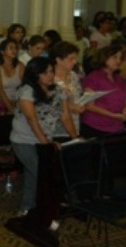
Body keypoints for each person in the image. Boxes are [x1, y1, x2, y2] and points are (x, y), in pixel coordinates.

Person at [10, 57, 78, 217]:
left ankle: (35, 206)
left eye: (51, 72)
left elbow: (66, 117)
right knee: (38, 171)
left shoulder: (58, 91)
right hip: (24, 140)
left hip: (45, 138)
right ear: (35, 74)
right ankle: (30, 209)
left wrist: (75, 138)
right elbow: (31, 119)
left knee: (39, 172)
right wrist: (47, 144)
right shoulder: (26, 90)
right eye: (45, 73)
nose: (49, 75)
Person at [80, 43, 126, 137]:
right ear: (104, 58)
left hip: (116, 126)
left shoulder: (119, 79)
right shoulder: (93, 77)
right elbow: (89, 105)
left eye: (120, 58)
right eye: (115, 57)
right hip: (96, 126)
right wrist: (114, 115)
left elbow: (125, 99)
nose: (118, 61)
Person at [50, 41, 86, 137]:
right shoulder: (49, 78)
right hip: (55, 128)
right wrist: (71, 107)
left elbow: (77, 97)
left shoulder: (73, 75)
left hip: (74, 123)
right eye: (71, 59)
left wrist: (83, 102)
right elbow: (49, 103)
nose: (75, 62)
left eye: (75, 58)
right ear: (58, 60)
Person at [0, 39, 24, 115]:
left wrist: (19, 103)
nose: (14, 50)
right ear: (2, 52)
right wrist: (11, 109)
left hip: (15, 99)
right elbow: (0, 90)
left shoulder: (20, 65)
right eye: (11, 48)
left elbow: (24, 86)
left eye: (15, 48)